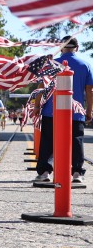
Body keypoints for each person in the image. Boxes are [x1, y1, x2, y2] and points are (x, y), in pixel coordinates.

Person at [35, 36, 93, 184]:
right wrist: (89, 110)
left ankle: (45, 172)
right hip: (76, 112)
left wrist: (36, 106)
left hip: (51, 111)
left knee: (48, 141)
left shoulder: (51, 64)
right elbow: (89, 90)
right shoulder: (85, 65)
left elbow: (41, 87)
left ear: (61, 47)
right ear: (77, 48)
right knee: (76, 141)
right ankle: (77, 173)